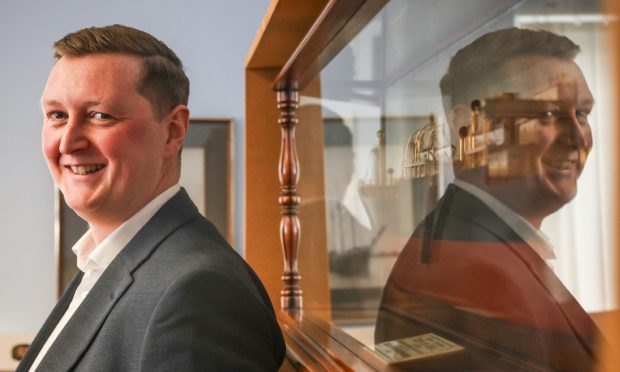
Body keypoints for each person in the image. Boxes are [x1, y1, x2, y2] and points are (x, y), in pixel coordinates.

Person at [17, 24, 285, 371]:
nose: (68, 143)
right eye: (57, 116)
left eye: (100, 115)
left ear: (173, 131)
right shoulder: (105, 263)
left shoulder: (197, 292)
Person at [375, 28, 602, 371]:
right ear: (470, 127)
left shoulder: (471, 241)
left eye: (582, 114)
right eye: (549, 114)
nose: (576, 138)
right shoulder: (480, 275)